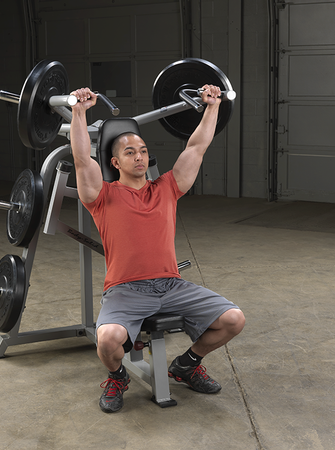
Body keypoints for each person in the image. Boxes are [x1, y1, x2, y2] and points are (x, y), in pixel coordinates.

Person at [69, 84, 245, 413]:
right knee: (107, 339)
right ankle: (118, 376)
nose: (139, 157)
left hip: (171, 285)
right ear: (115, 162)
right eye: (130, 152)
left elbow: (197, 147)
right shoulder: (102, 196)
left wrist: (213, 105)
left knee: (234, 319)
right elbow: (81, 159)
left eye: (143, 150)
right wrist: (79, 111)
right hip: (125, 290)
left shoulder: (167, 188)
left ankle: (187, 365)